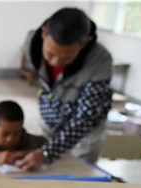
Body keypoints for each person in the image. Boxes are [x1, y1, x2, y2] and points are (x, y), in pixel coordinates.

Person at [18, 7, 113, 171]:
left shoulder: (100, 60)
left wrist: (47, 153)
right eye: (50, 54)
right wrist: (46, 151)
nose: (55, 62)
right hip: (51, 118)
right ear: (43, 33)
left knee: (78, 174)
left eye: (66, 58)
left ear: (84, 43)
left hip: (84, 133)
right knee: (45, 172)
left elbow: (85, 118)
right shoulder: (32, 43)